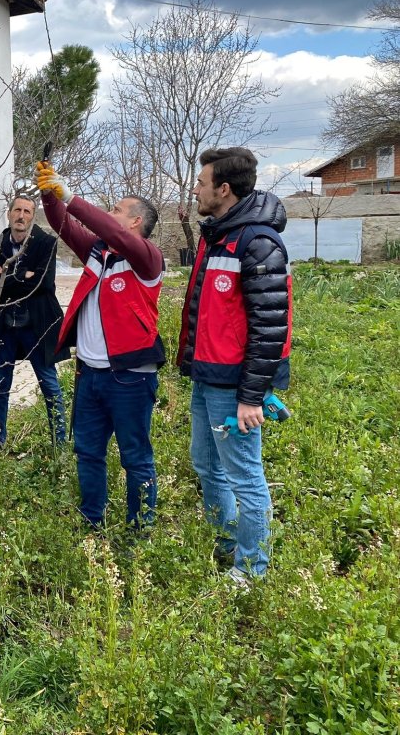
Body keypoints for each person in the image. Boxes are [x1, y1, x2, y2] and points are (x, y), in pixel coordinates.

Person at [179, 147, 292, 585]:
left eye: (202, 182)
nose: (196, 189)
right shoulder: (217, 236)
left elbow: (270, 327)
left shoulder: (257, 242)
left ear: (223, 189)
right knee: (206, 465)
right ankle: (226, 542)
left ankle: (251, 570)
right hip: (208, 378)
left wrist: (250, 397)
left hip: (234, 388)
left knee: (245, 476)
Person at [36, 163, 165, 530]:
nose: (110, 215)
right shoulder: (99, 253)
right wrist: (49, 191)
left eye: (117, 211)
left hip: (130, 379)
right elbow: (63, 224)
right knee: (88, 452)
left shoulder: (146, 258)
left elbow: (104, 227)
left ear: (136, 221)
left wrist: (70, 195)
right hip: (89, 375)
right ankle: (92, 520)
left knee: (135, 457)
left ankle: (140, 529)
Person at [0, 194, 69, 450]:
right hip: (5, 326)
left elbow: (43, 284)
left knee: (49, 385)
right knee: (0, 385)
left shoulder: (45, 243)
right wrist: (23, 275)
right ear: (9, 213)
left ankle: (60, 443)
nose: (21, 216)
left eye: (27, 211)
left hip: (36, 326)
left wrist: (7, 275)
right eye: (17, 210)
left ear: (33, 216)